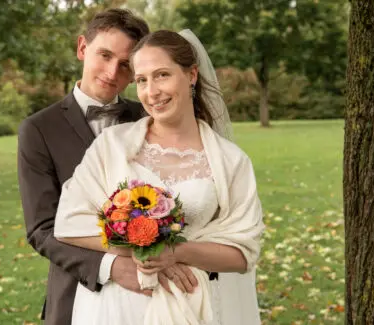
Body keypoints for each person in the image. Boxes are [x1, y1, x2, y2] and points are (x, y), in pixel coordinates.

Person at [54, 29, 265, 325]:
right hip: (116, 305)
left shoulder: (231, 160)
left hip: (190, 304)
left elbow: (244, 253)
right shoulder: (111, 145)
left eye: (162, 75)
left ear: (191, 75)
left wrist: (177, 252)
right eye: (141, 80)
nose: (151, 92)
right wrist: (141, 252)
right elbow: (69, 223)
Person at [17, 9, 156, 325]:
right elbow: (41, 228)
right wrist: (111, 266)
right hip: (76, 292)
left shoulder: (148, 119)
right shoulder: (38, 129)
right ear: (82, 48)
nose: (111, 72)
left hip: (150, 292)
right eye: (104, 55)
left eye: (125, 65)